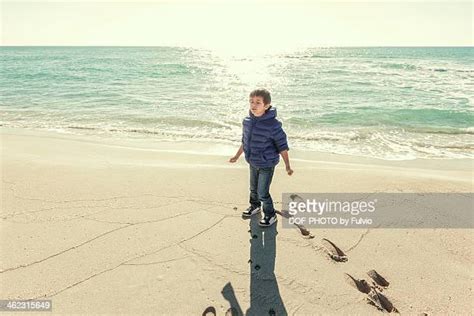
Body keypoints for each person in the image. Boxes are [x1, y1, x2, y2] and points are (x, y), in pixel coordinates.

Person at [229, 88, 293, 227]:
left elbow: (282, 145)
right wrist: (237, 156)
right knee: (253, 189)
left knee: (262, 192)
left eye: (258, 102)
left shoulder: (273, 125)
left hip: (267, 163)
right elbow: (245, 141)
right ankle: (254, 206)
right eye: (251, 101)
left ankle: (270, 215)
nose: (253, 105)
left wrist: (287, 165)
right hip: (252, 161)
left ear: (267, 106)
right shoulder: (247, 122)